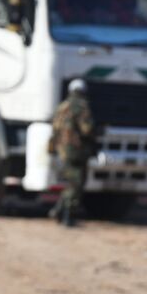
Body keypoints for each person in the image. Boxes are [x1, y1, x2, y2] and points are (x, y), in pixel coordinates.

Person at [47, 79, 96, 227]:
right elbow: (87, 129)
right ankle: (67, 216)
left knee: (71, 183)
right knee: (76, 184)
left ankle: (58, 211)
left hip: (63, 150)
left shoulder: (62, 107)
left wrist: (52, 148)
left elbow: (55, 129)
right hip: (76, 151)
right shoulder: (81, 106)